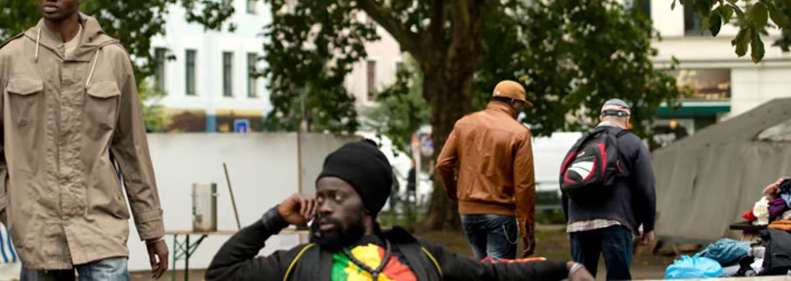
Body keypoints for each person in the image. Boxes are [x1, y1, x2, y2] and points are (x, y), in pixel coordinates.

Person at [0, 0, 169, 281]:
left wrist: (152, 229)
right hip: (37, 228)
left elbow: (132, 149)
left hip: (100, 222)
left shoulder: (112, 58)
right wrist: (11, 209)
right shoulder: (10, 58)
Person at [206, 139, 593, 281]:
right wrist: (272, 219)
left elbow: (490, 274)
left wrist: (566, 268)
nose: (322, 207)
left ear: (368, 206)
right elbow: (222, 273)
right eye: (319, 196)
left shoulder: (420, 256)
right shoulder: (300, 262)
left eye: (337, 197)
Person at [437, 80, 536, 261]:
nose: (521, 111)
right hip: (500, 214)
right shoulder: (519, 133)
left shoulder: (463, 124)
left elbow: (443, 163)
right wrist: (527, 230)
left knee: (481, 271)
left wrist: (455, 193)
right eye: (521, 105)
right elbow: (524, 185)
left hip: (468, 213)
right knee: (499, 273)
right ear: (514, 102)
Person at [562, 99, 656, 281]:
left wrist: (571, 220)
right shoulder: (633, 143)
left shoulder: (581, 143)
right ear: (627, 119)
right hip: (615, 221)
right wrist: (648, 226)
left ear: (600, 117)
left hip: (578, 222)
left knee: (582, 277)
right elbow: (646, 188)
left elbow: (566, 183)